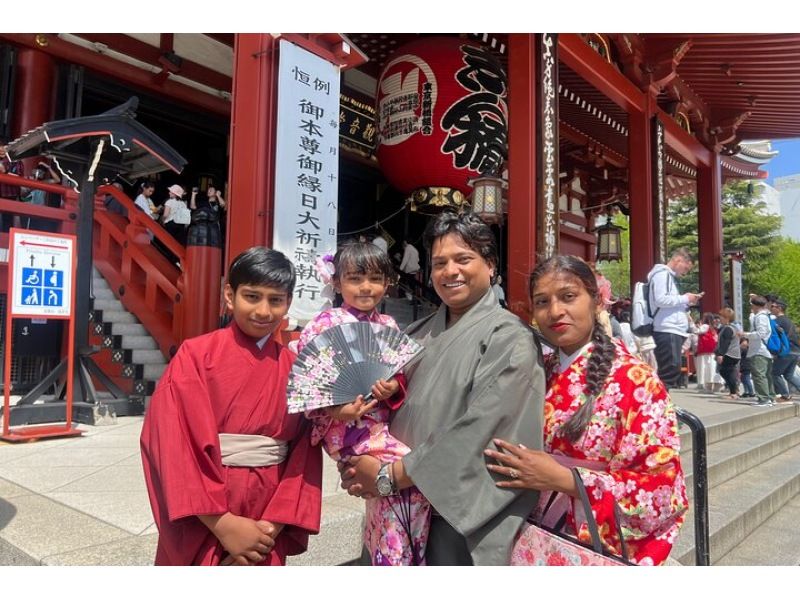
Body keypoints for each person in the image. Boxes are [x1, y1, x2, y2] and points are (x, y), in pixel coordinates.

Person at [339, 211, 544, 565]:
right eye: (439, 263)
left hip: (453, 518)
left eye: (463, 259)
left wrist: (391, 476)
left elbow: (482, 430)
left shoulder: (509, 336)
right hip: (394, 510)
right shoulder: (415, 332)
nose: (450, 271)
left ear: (491, 265)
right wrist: (357, 459)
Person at [486, 255, 688, 566]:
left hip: (586, 542)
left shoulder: (637, 381)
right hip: (526, 533)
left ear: (596, 300)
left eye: (568, 297)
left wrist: (567, 479)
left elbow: (661, 490)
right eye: (542, 301)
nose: (555, 311)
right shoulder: (536, 370)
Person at [140, 247, 322, 565]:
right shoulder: (195, 355)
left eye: (275, 300)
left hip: (269, 512)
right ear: (229, 294)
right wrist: (224, 525)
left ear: (288, 303)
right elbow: (172, 444)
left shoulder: (298, 369)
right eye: (252, 296)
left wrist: (269, 529)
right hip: (205, 513)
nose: (263, 311)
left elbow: (305, 455)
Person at [297, 242, 429, 565]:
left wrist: (390, 388)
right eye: (355, 279)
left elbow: (399, 377)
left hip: (379, 427)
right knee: (414, 476)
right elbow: (308, 385)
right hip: (346, 431)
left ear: (387, 282)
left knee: (390, 497)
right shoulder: (324, 325)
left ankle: (390, 554)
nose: (366, 287)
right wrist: (336, 410)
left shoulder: (388, 327)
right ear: (337, 282)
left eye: (374, 278)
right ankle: (398, 557)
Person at [648, 248, 703, 390]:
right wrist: (685, 298)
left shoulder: (667, 276)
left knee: (670, 370)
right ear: (678, 260)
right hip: (667, 328)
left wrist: (686, 301)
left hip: (671, 328)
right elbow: (660, 299)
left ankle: (659, 403)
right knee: (669, 371)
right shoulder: (662, 275)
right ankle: (657, 404)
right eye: (686, 267)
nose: (685, 272)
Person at [746, 295, 776, 406]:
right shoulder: (766, 315)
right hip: (765, 350)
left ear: (755, 305)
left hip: (759, 350)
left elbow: (761, 333)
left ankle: (764, 399)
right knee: (766, 375)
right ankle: (770, 397)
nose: (751, 307)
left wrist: (746, 335)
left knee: (759, 375)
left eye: (752, 304)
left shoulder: (760, 316)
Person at [769, 298, 800, 402]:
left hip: (786, 351)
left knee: (775, 373)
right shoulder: (788, 321)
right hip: (795, 351)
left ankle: (785, 395)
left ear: (780, 308)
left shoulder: (778, 321)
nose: (771, 308)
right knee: (789, 375)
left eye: (773, 306)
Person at [715, 307, 742, 400]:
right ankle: (734, 391)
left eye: (721, 317)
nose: (719, 319)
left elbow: (725, 343)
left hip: (730, 354)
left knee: (727, 372)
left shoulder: (728, 329)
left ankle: (734, 393)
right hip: (734, 354)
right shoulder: (731, 328)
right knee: (728, 372)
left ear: (727, 318)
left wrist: (720, 354)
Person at [695, 312, 720, 393]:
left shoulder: (705, 326)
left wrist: (693, 324)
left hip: (703, 350)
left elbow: (696, 331)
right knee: (711, 369)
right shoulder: (713, 328)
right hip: (712, 351)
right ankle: (711, 383)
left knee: (702, 368)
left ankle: (702, 384)